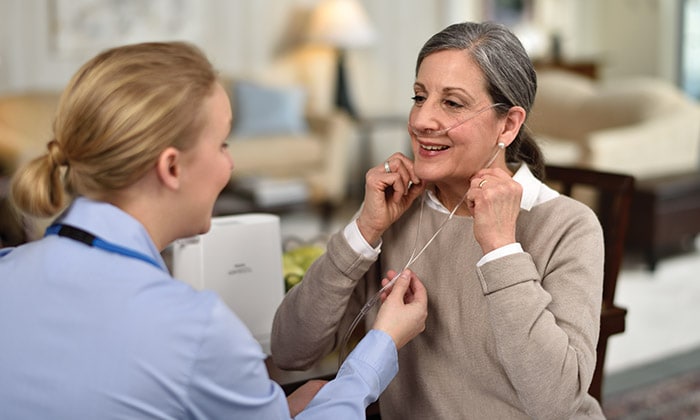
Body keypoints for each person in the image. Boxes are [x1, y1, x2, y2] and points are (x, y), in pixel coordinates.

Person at [0, 41, 429, 419]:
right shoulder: (194, 328)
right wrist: (379, 347)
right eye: (223, 144)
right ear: (171, 167)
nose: (231, 164)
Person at [271, 21, 606, 419]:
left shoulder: (569, 225)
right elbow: (291, 350)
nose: (421, 120)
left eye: (452, 103)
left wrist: (501, 248)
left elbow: (557, 402)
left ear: (509, 124)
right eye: (419, 96)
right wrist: (364, 230)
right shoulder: (396, 211)